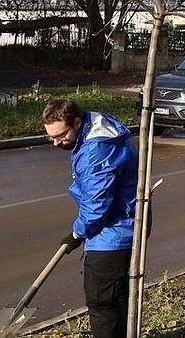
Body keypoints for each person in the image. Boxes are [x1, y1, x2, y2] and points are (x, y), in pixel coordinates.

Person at [43, 98, 142, 338]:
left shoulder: (96, 151)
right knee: (117, 303)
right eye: (50, 137)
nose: (56, 143)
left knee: (102, 306)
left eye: (61, 136)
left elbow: (97, 205)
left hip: (112, 235)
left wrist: (77, 234)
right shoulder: (97, 124)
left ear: (77, 122)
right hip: (125, 227)